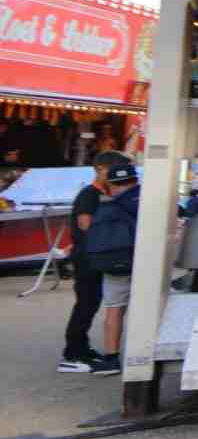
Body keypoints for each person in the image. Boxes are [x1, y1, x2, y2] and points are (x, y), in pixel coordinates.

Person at [58, 151, 126, 372]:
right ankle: (72, 354)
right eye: (114, 170)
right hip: (86, 258)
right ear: (100, 169)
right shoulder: (89, 195)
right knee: (85, 305)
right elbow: (85, 225)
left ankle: (82, 349)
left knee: (91, 304)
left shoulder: (105, 194)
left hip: (97, 258)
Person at [78, 157, 143, 377]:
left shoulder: (107, 205)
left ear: (112, 185)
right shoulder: (150, 200)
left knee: (115, 309)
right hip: (149, 263)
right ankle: (145, 355)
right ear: (135, 181)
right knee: (150, 308)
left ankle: (111, 359)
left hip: (118, 264)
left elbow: (85, 227)